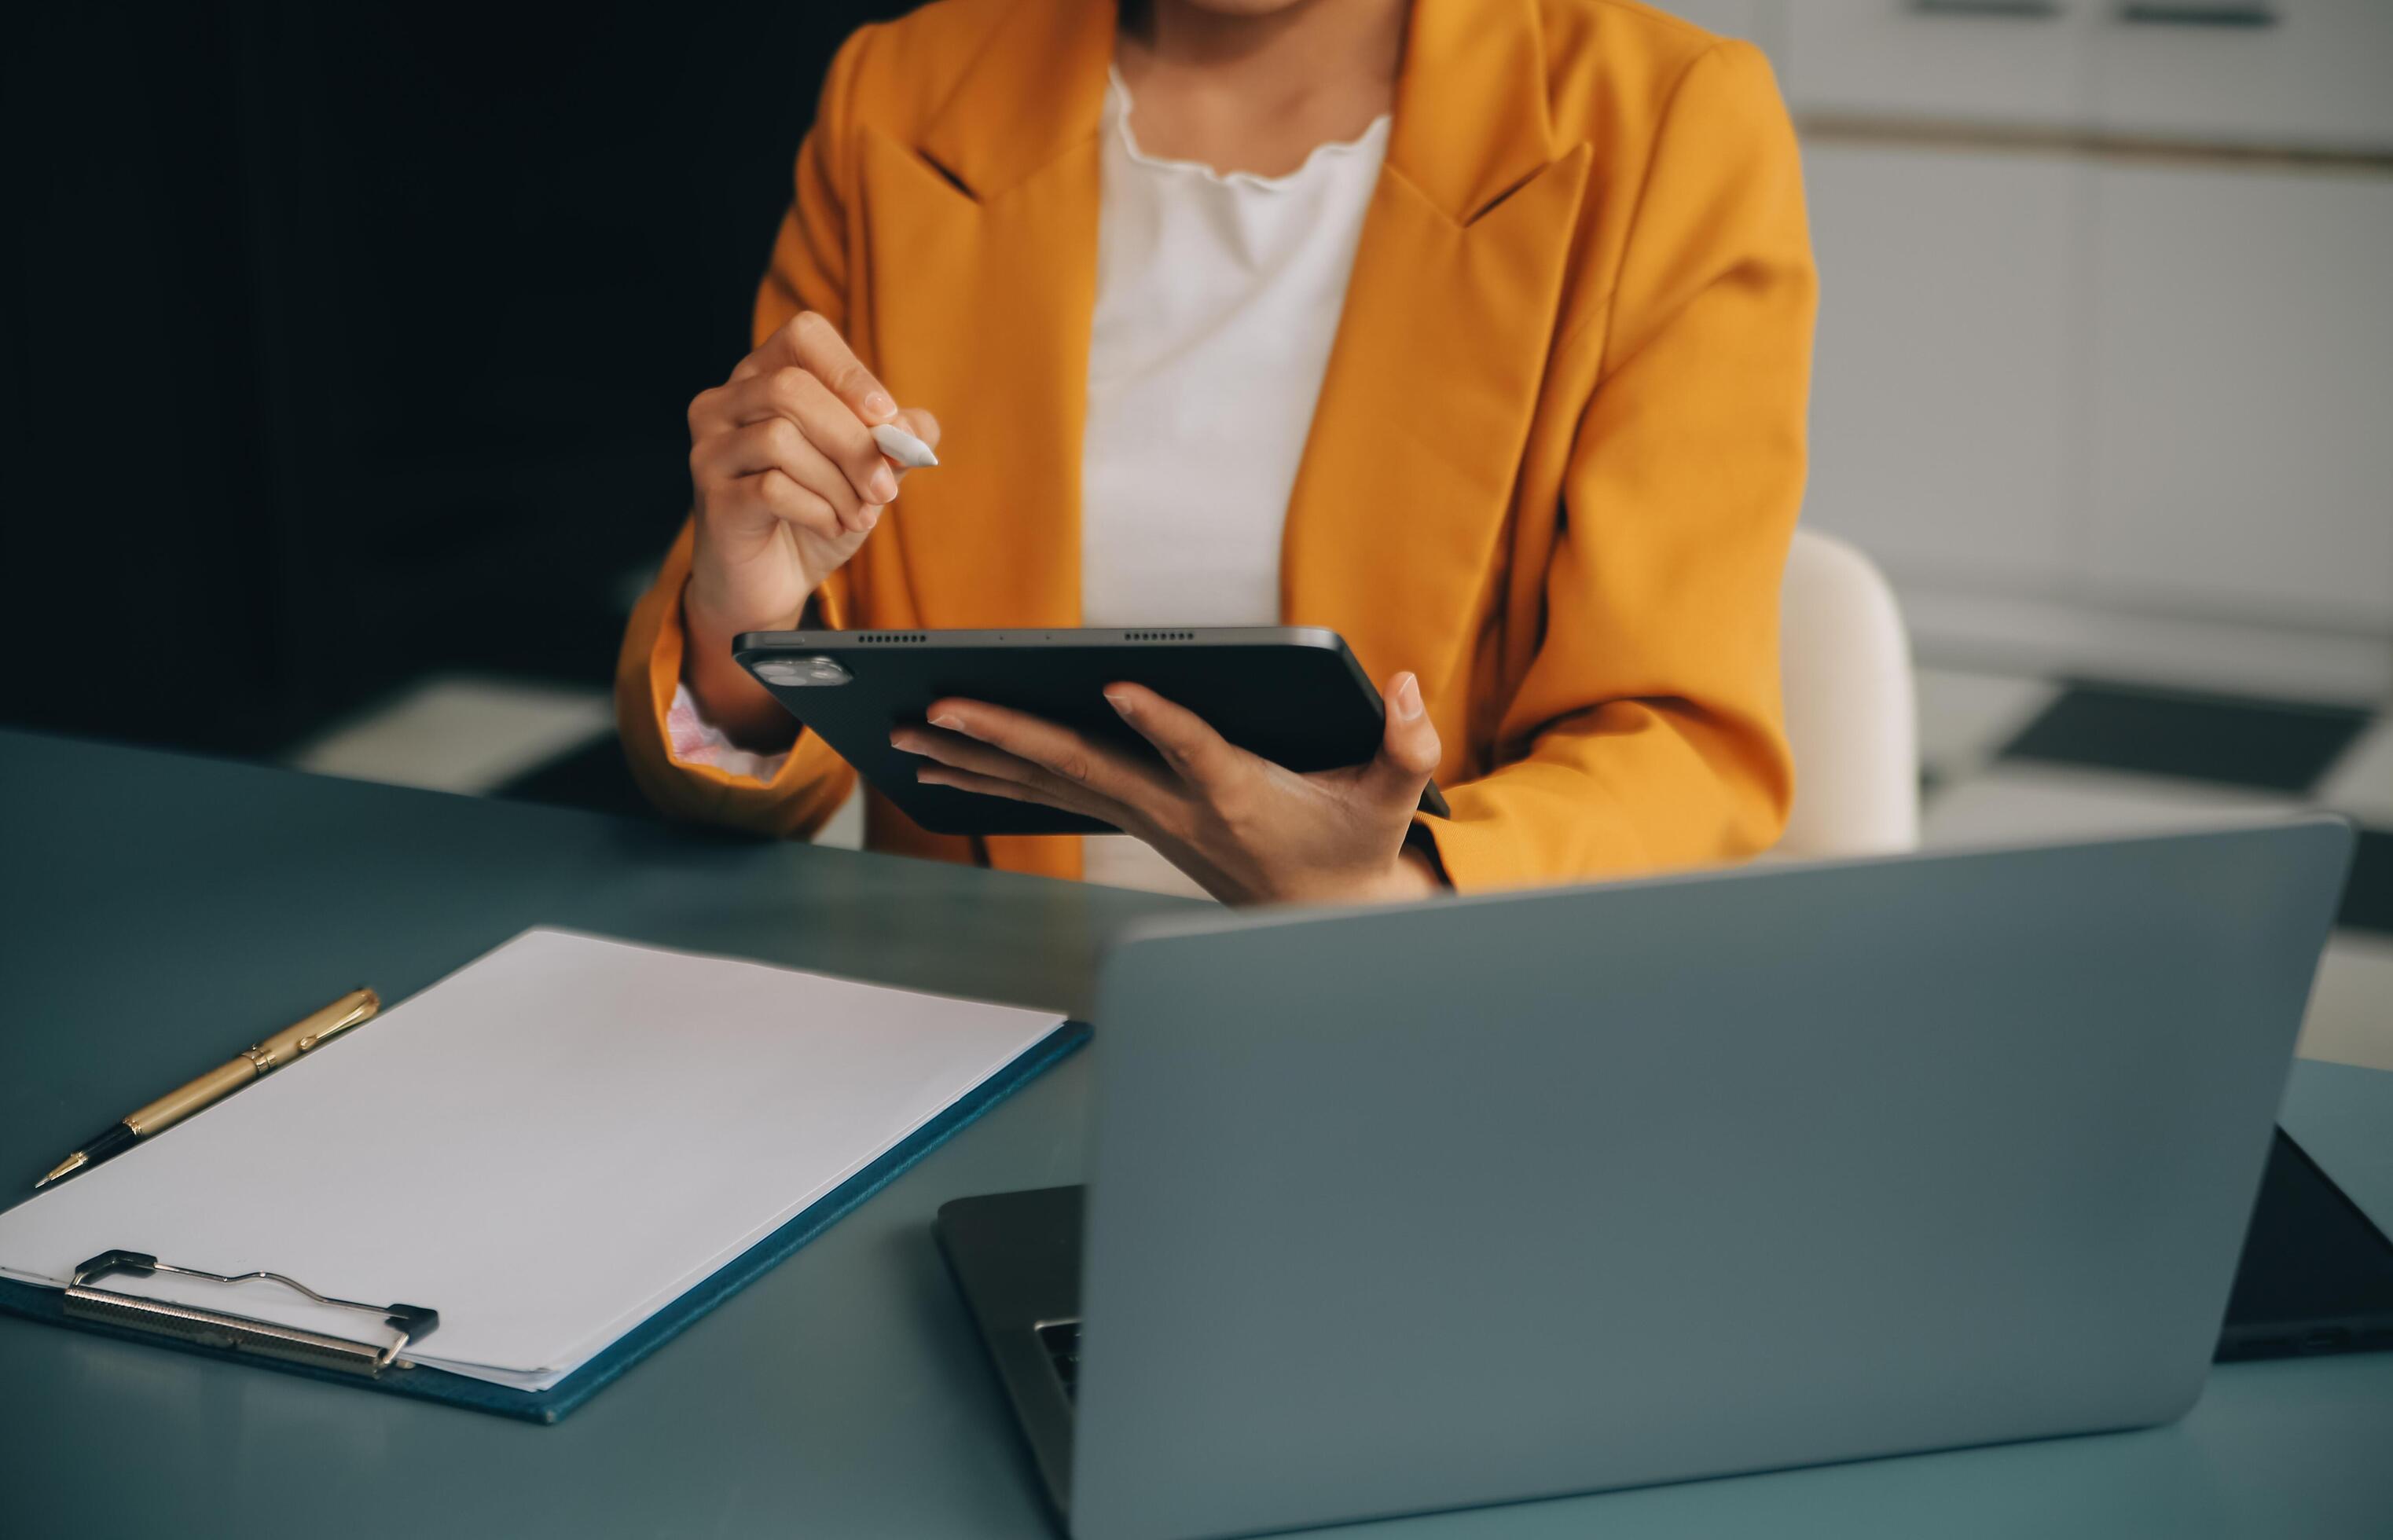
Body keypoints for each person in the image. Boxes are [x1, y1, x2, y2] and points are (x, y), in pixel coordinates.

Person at [617, 0, 1816, 904]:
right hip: (971, 1026)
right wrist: (747, 613)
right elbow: (747, 770)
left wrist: (1385, 894)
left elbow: (1685, 750)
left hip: (1429, 1032)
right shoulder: (904, 89)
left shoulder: (1661, 117)